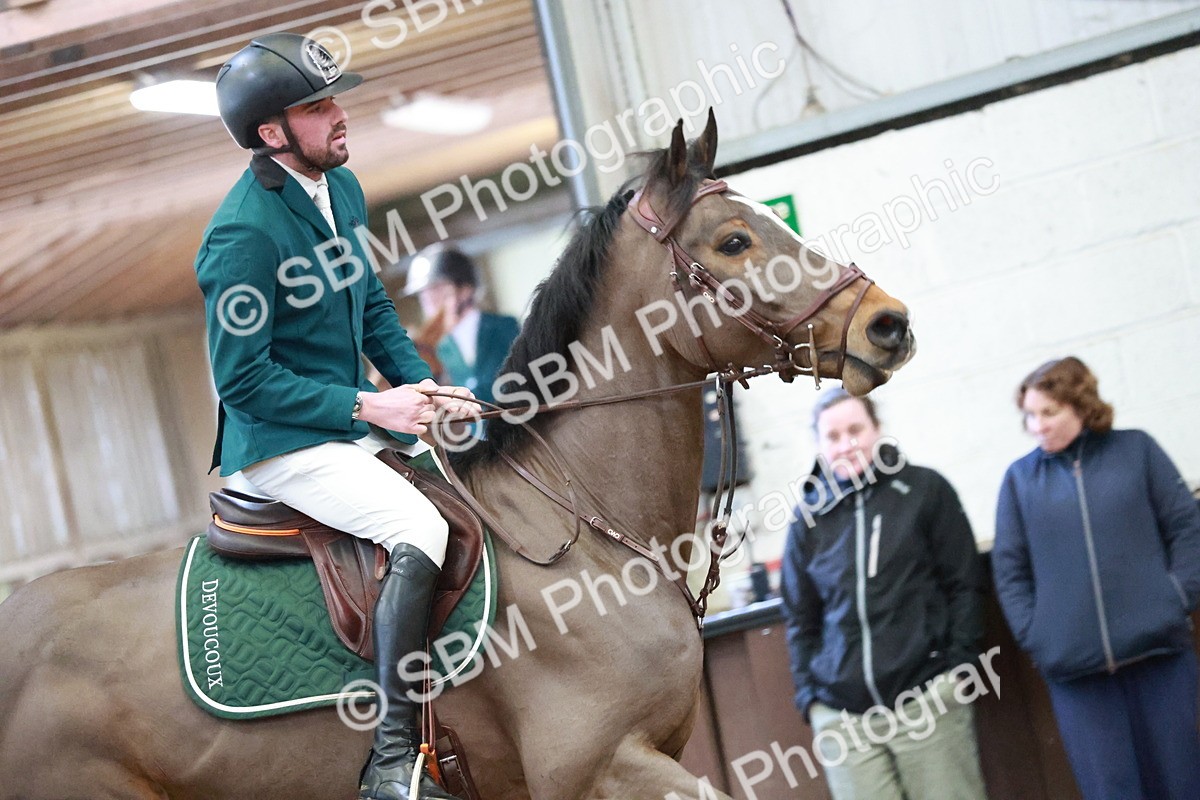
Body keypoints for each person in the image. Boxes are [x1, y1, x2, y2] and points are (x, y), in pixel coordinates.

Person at [198, 33, 474, 800]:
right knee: (419, 528)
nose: (339, 114)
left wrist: (424, 387)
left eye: (334, 98)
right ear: (271, 133)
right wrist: (367, 402)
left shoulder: (341, 191)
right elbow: (243, 380)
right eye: (317, 106)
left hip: (348, 424)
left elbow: (375, 308)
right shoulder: (242, 233)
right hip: (282, 444)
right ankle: (391, 762)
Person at [992, 356, 1200, 800]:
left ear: (1082, 406)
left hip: (1160, 659)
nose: (1037, 426)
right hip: (1078, 678)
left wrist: (1176, 596)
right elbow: (1010, 571)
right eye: (1030, 414)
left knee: (1182, 785)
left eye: (1050, 412)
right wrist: (1038, 634)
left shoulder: (1137, 451)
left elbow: (1187, 529)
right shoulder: (1019, 481)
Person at [780, 388, 987, 800]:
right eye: (833, 437)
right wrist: (812, 699)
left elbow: (965, 585)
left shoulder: (926, 490)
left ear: (877, 430)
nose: (846, 445)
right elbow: (800, 617)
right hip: (844, 717)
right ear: (820, 445)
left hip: (926, 699)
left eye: (855, 430)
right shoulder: (807, 519)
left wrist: (956, 670)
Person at [403, 243, 520, 406]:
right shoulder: (430, 349)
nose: (428, 299)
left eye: (437, 288)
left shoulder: (506, 327)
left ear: (465, 289)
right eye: (423, 293)